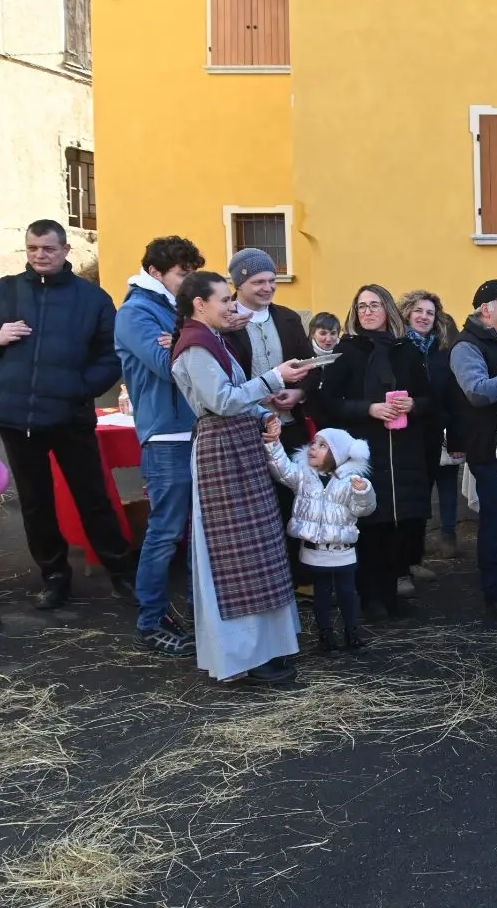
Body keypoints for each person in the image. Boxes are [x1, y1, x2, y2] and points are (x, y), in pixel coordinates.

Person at [168, 270, 311, 684]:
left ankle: (267, 647)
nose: (232, 307)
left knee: (259, 549)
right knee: (235, 556)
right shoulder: (195, 346)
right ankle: (246, 655)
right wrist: (274, 378)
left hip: (239, 448)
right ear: (200, 304)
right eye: (224, 300)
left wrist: (265, 413)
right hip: (221, 455)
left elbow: (237, 394)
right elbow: (223, 401)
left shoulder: (211, 340)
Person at [0, 219, 137, 610]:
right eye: (32, 248)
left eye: (48, 248)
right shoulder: (5, 291)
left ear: (65, 251)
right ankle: (55, 577)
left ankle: (121, 574)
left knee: (92, 498)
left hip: (70, 417)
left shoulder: (92, 300)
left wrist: (78, 389)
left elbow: (111, 357)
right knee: (36, 503)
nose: (40, 255)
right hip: (17, 417)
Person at [313, 285, 434, 621]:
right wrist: (369, 409)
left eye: (374, 305)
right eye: (361, 306)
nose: (367, 312)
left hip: (404, 453)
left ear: (388, 311)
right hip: (365, 452)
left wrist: (413, 403)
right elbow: (328, 404)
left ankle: (392, 594)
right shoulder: (347, 351)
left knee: (399, 526)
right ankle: (369, 598)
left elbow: (428, 399)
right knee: (370, 527)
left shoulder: (406, 350)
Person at [115, 235, 207, 654]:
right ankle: (151, 620)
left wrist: (188, 337)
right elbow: (169, 367)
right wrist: (194, 336)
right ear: (155, 272)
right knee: (166, 532)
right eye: (181, 273)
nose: (188, 282)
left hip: (196, 429)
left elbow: (192, 357)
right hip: (167, 434)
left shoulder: (175, 311)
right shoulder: (135, 313)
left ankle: (196, 611)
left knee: (197, 532)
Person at [222, 249, 321, 585]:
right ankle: (259, 578)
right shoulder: (225, 321)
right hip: (245, 428)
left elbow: (310, 367)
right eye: (258, 282)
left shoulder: (289, 318)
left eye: (271, 280)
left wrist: (299, 393)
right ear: (238, 284)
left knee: (296, 499)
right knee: (253, 506)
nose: (267, 288)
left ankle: (299, 575)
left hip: (289, 426)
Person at [450, 278, 497, 617]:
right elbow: (477, 391)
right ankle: (494, 592)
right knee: (496, 522)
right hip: (489, 448)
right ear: (487, 309)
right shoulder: (466, 346)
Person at [264, 420, 376, 654]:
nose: (313, 448)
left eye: (322, 445)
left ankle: (352, 632)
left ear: (338, 454)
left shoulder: (350, 481)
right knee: (321, 594)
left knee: (347, 592)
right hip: (315, 550)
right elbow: (281, 469)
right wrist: (274, 444)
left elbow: (363, 509)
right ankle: (325, 635)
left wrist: (363, 492)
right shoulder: (304, 477)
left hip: (343, 550)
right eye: (314, 443)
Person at [401, 290, 462, 578]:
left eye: (430, 313)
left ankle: (417, 556)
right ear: (407, 314)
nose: (424, 317)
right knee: (410, 497)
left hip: (435, 432)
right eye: (419, 311)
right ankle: (404, 563)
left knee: (432, 495)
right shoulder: (398, 348)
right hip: (403, 434)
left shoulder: (441, 352)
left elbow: (452, 394)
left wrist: (452, 428)